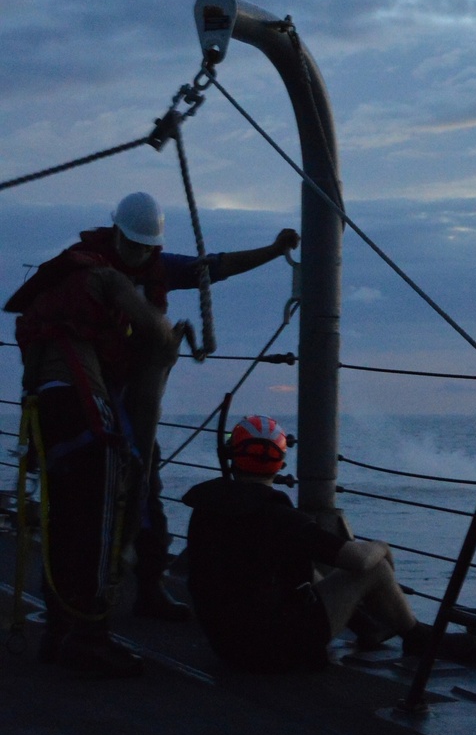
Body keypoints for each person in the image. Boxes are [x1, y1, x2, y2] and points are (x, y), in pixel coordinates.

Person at [102, 191, 300, 622]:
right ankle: (77, 601)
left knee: (146, 490)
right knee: (88, 496)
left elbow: (216, 268)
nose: (137, 253)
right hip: (94, 399)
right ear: (115, 232)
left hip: (138, 406)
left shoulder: (159, 268)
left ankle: (150, 589)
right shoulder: (90, 272)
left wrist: (272, 250)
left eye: (144, 246)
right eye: (131, 243)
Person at [4, 218, 183, 675]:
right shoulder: (106, 276)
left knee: (64, 519)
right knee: (104, 518)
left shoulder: (61, 282)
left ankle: (59, 631)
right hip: (84, 407)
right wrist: (165, 346)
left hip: (45, 407)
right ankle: (90, 636)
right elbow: (158, 335)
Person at [182, 415, 431, 671]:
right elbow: (359, 560)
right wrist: (382, 547)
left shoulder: (207, 507)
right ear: (279, 462)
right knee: (374, 568)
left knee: (303, 568)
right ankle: (417, 637)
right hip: (276, 651)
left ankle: (366, 625)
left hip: (227, 645)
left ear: (231, 456)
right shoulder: (281, 518)